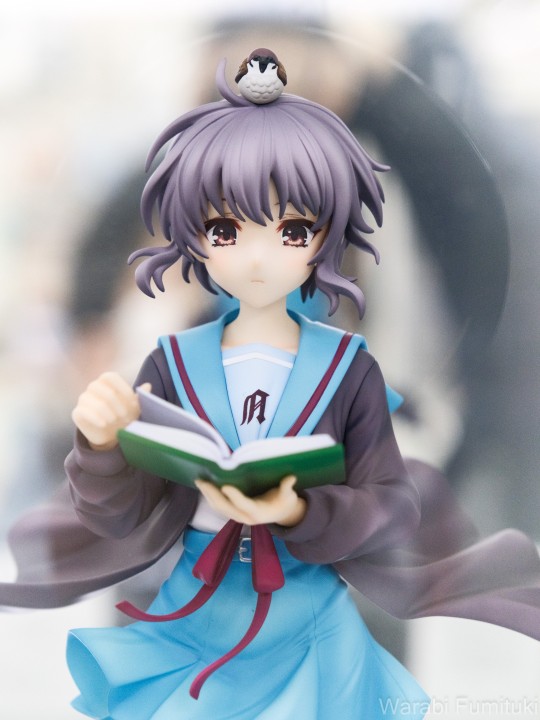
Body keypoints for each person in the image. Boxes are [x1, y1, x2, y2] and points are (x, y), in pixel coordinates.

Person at [2, 50, 540, 720]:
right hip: (192, 618)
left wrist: (300, 513)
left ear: (326, 233)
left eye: (292, 229)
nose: (258, 256)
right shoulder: (173, 362)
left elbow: (388, 504)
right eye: (225, 228)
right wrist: (103, 446)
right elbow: (122, 511)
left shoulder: (347, 368)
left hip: (307, 620)